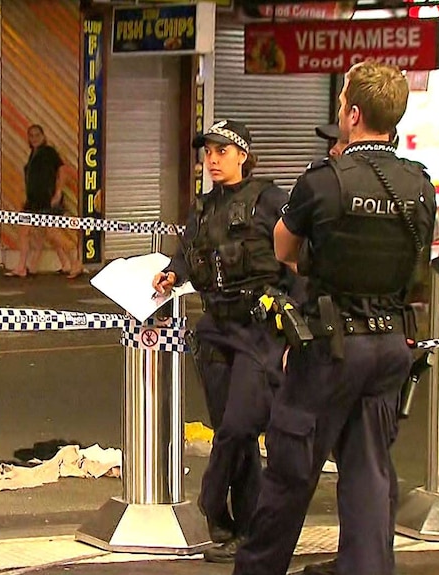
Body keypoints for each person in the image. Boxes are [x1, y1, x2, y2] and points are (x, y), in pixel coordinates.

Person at [232, 61, 435, 575]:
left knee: (290, 471)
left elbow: (284, 247)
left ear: (353, 113)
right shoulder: (419, 184)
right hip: (390, 345)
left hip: (329, 347)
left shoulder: (324, 181)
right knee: (369, 474)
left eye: (342, 99)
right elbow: (417, 263)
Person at [152, 120, 296, 563]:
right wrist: (173, 272)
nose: (212, 159)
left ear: (243, 155)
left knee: (239, 426)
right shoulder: (203, 207)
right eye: (207, 152)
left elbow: (300, 254)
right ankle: (241, 530)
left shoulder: (271, 199)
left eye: (221, 151)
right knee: (233, 434)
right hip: (215, 329)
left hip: (258, 329)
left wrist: (297, 322)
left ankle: (211, 505)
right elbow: (190, 252)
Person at [5, 124, 83, 278]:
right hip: (34, 202)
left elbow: (63, 170)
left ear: (43, 137)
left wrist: (58, 192)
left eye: (37, 135)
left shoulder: (49, 152)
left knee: (53, 233)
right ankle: (23, 267)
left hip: (47, 201)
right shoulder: (33, 154)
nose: (34, 138)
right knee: (25, 231)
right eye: (31, 135)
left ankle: (76, 262)